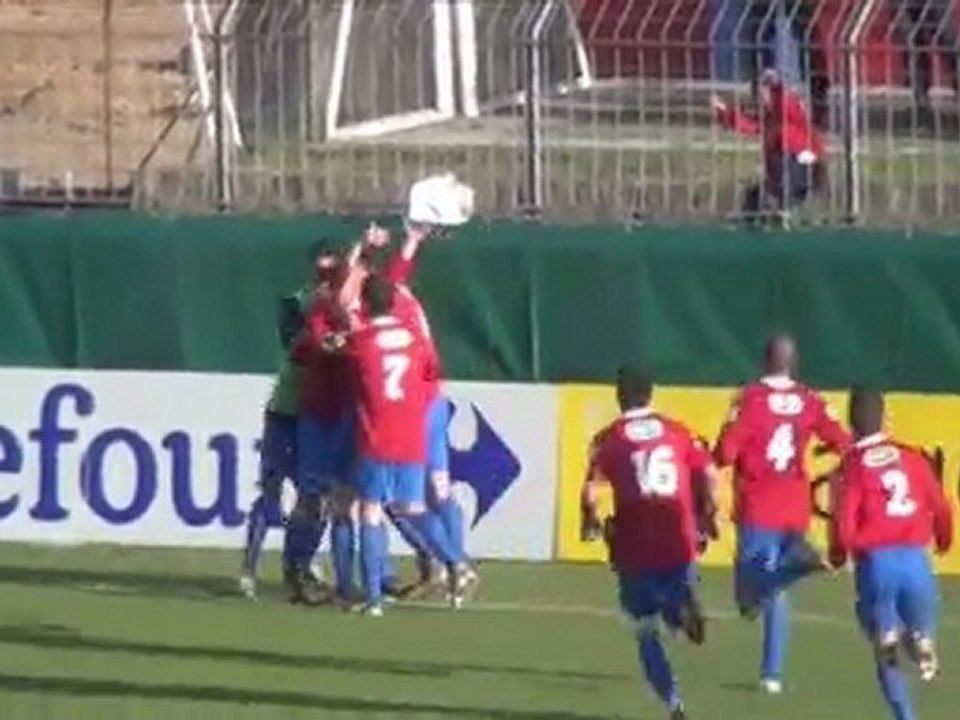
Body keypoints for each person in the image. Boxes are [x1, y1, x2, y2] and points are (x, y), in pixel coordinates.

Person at [714, 334, 850, 694]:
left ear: (764, 361)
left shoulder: (750, 399)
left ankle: (799, 566)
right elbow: (844, 442)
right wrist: (821, 446)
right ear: (793, 363)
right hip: (795, 507)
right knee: (775, 592)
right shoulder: (810, 400)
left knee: (751, 595)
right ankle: (771, 674)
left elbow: (725, 452)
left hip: (758, 504)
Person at [581, 366, 719, 720]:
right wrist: (708, 516)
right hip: (679, 537)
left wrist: (592, 523)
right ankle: (680, 606)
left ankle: (674, 703)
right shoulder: (678, 431)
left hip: (635, 545)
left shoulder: (610, 438)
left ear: (619, 395)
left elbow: (592, 491)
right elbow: (709, 474)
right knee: (674, 602)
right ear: (651, 394)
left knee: (644, 630)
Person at [345, 274, 471, 616]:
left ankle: (373, 600)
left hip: (377, 432)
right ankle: (457, 563)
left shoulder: (361, 339)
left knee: (370, 509)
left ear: (367, 304)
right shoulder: (416, 338)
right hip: (412, 432)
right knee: (412, 507)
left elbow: (348, 370)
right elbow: (432, 373)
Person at [832, 388, 953, 720]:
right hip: (916, 562)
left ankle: (904, 713)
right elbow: (940, 506)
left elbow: (843, 525)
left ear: (850, 421)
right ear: (884, 418)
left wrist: (842, 552)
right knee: (920, 623)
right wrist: (943, 539)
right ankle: (921, 638)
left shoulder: (851, 467)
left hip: (878, 564)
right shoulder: (912, 458)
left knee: (881, 642)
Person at [239, 291, 304, 599]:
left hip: (303, 423)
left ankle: (302, 562)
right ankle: (249, 568)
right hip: (284, 421)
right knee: (271, 494)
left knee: (310, 498)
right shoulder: (302, 353)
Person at [712, 69, 825, 223]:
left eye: (763, 92)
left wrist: (776, 85)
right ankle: (754, 216)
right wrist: (722, 110)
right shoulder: (768, 118)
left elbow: (786, 104)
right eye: (757, 94)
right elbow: (748, 124)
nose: (760, 99)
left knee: (781, 169)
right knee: (756, 193)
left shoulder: (787, 106)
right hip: (785, 171)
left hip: (803, 164)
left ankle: (780, 207)